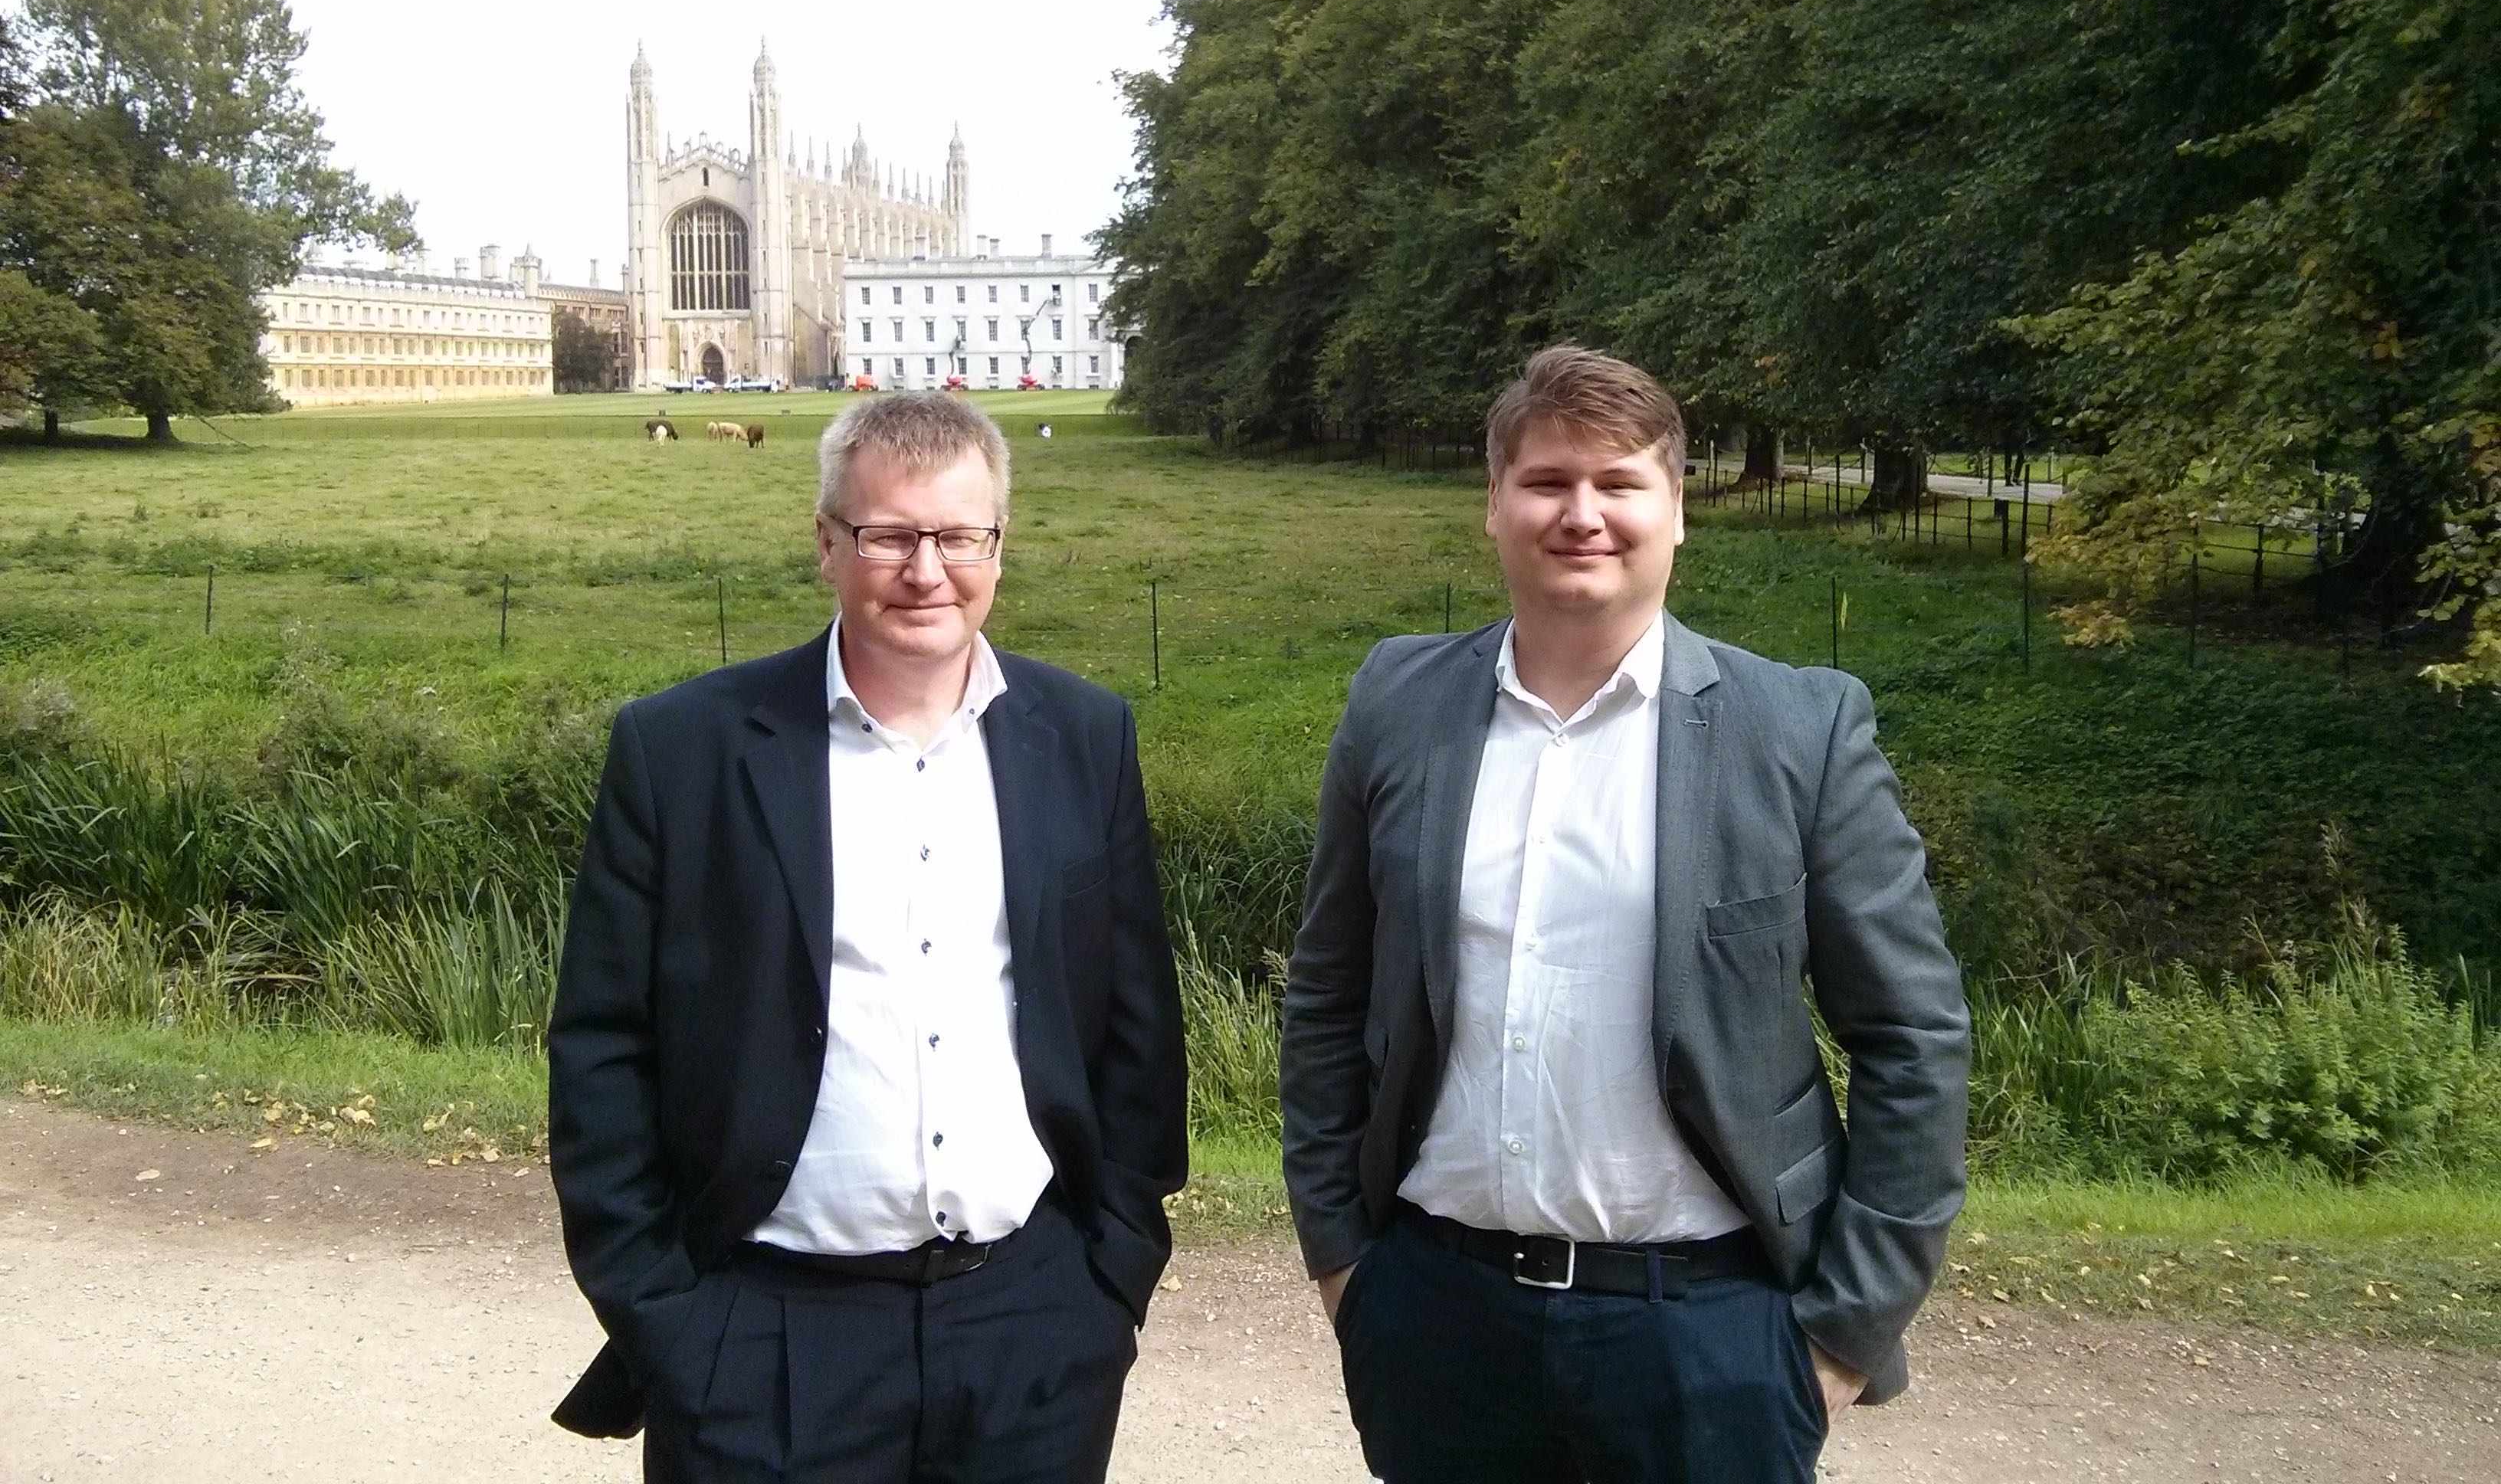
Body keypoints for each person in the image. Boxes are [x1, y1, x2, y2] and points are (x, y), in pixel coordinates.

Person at [1281, 347, 1968, 1483]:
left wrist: (1840, 1338)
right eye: (1547, 481)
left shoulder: (1799, 731)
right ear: (1494, 505)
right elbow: (1327, 991)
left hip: (1712, 1337)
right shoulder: (1397, 703)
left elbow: (1913, 1036)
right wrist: (1345, 1265)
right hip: (1437, 1323)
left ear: (1677, 509)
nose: (1582, 514)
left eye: (1619, 482)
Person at [549, 391, 1187, 1482]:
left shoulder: (1085, 736)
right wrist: (668, 1319)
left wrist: (1108, 1278)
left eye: (959, 537)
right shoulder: (684, 748)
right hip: (766, 1334)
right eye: (889, 536)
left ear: (998, 546)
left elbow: (1136, 1023)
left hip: (1030, 1327)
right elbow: (603, 1043)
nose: (926, 571)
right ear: (827, 544)